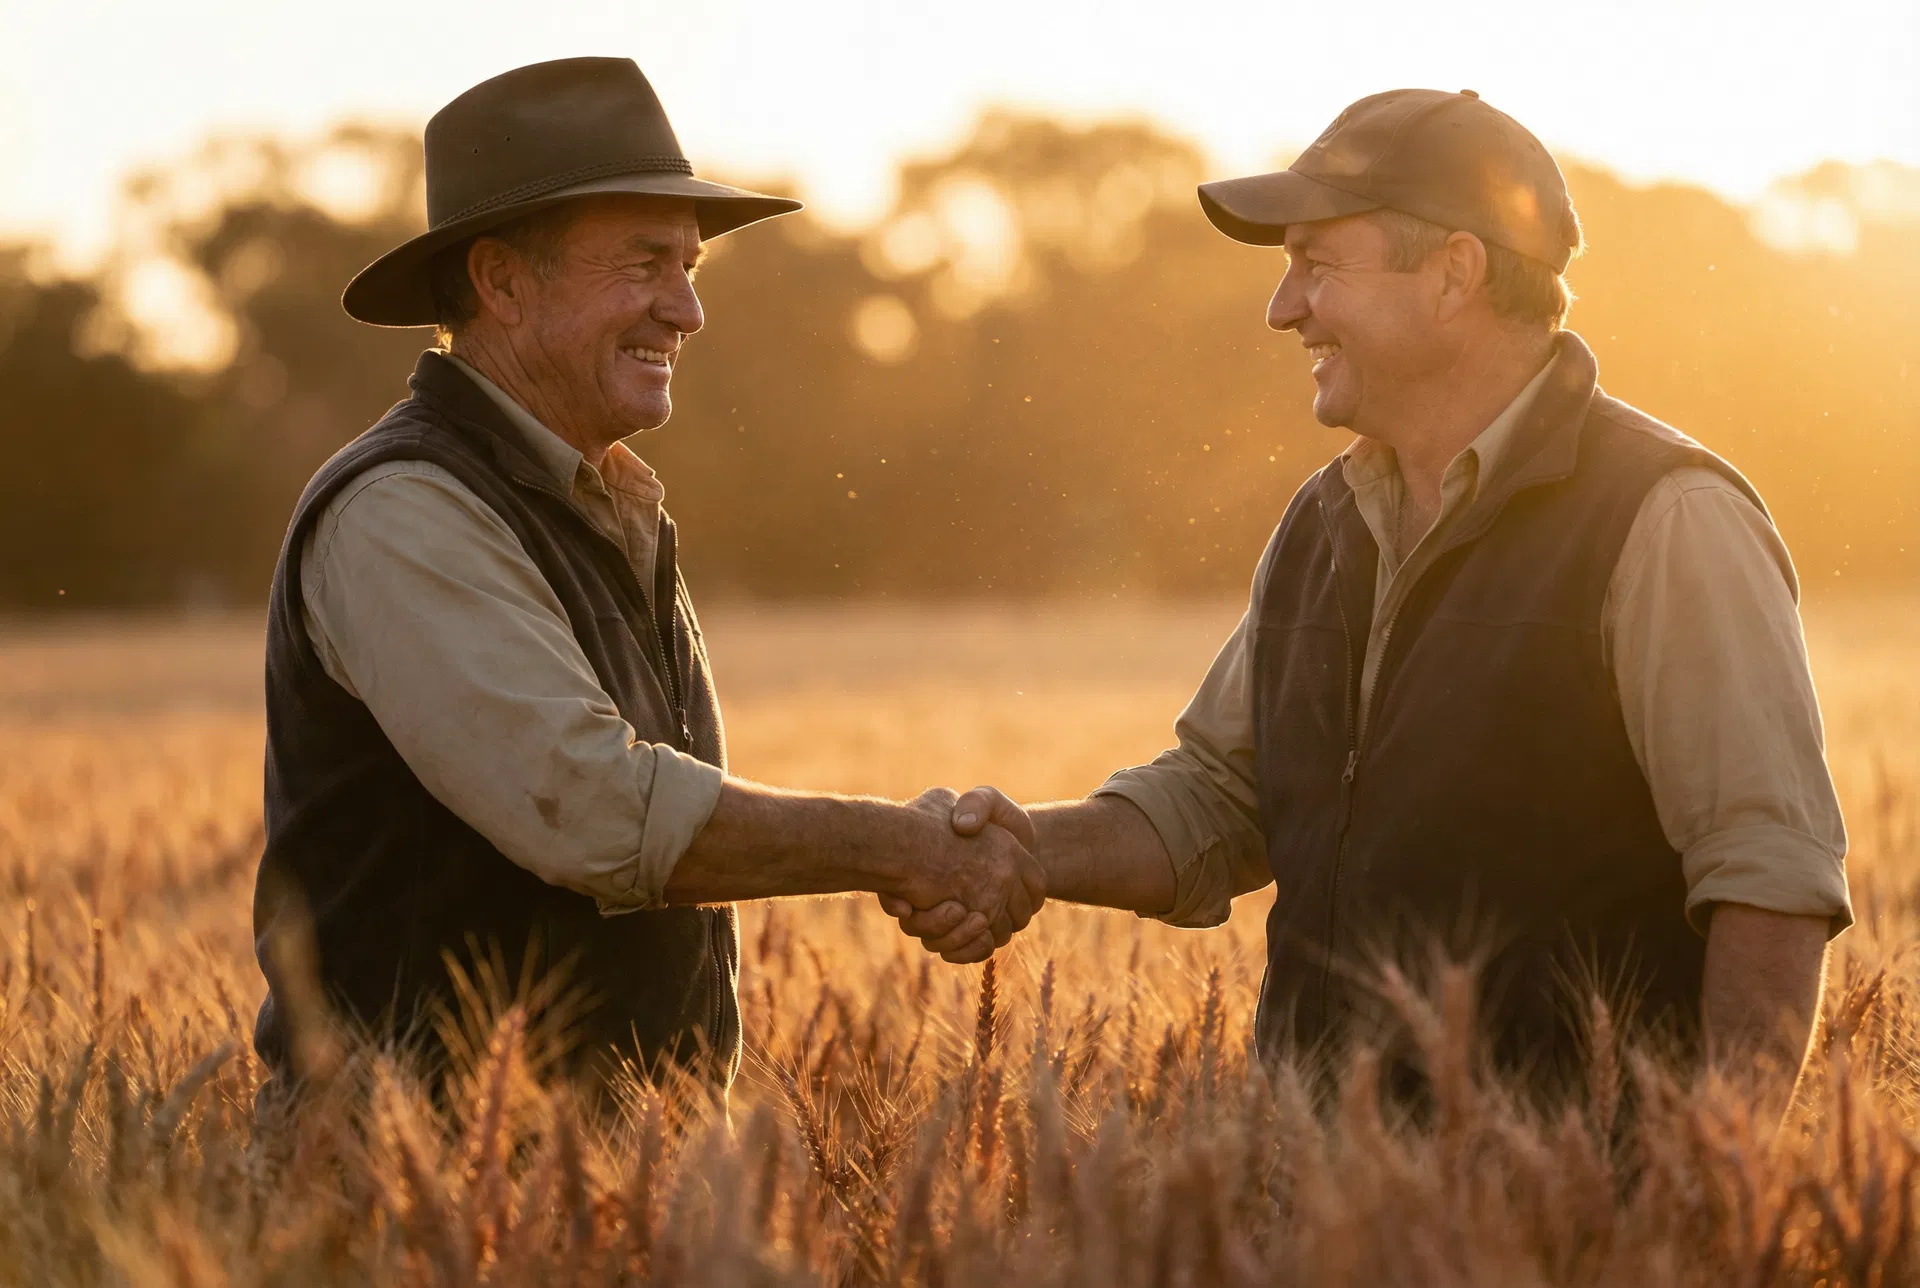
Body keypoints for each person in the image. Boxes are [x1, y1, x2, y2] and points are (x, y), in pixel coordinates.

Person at [888, 89, 1850, 1099]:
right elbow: (1218, 796)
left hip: (1563, 1232)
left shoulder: (1667, 519)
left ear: (1452, 275)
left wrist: (1714, 1194)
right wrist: (1023, 849)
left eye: (1316, 264)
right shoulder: (1325, 522)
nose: (1282, 306)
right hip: (1323, 1213)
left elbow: (1767, 878)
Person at [251, 58, 1040, 1096]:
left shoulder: (605, 500)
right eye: (644, 263)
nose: (686, 310)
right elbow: (596, 810)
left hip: (597, 1209)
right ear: (501, 280)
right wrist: (903, 846)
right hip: (414, 1211)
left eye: (691, 268)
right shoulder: (401, 510)